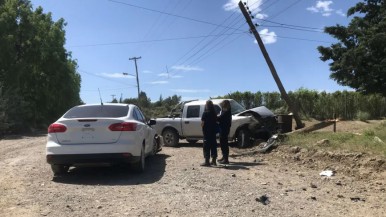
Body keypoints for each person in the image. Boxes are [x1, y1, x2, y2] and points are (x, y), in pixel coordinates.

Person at [200, 100, 218, 166]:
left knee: (206, 146)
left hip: (206, 133)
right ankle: (214, 161)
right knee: (213, 146)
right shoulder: (214, 113)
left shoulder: (205, 113)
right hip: (213, 132)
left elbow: (202, 123)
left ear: (207, 105)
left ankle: (207, 161)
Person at [217, 100, 232, 164]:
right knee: (222, 143)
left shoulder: (226, 112)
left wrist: (215, 117)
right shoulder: (226, 111)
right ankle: (224, 157)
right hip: (224, 129)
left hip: (224, 129)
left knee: (224, 143)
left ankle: (226, 159)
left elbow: (221, 118)